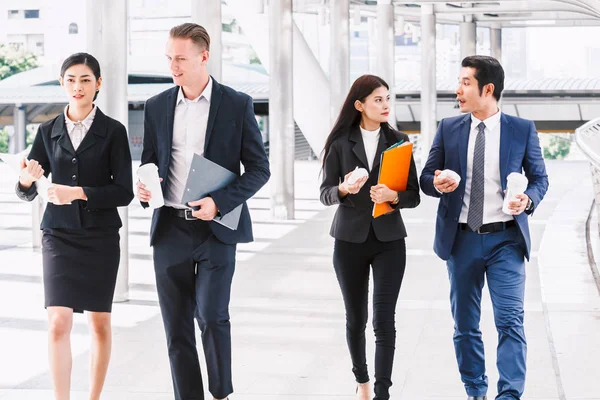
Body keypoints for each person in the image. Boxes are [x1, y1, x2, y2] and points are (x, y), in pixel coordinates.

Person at [136, 23, 270, 400]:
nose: (173, 66)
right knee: (176, 329)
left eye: (180, 58)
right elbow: (151, 162)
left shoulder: (236, 103)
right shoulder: (157, 105)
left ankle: (221, 394)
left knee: (212, 316)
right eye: (169, 58)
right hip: (170, 229)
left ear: (203, 56)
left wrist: (220, 202)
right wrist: (145, 189)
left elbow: (260, 169)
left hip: (216, 229)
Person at [419, 55, 549, 400]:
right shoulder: (448, 128)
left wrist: (528, 200)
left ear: (487, 89)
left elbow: (540, 178)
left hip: (505, 239)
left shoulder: (521, 130)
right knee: (465, 327)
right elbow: (425, 177)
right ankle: (475, 391)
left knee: (510, 322)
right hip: (460, 241)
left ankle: (509, 395)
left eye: (465, 82)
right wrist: (438, 183)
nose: (458, 90)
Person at [15, 52, 134, 400]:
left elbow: (123, 191)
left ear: (98, 84)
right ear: (62, 83)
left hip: (99, 237)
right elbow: (26, 187)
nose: (78, 86)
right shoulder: (47, 130)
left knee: (99, 322)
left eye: (85, 80)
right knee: (58, 323)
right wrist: (25, 179)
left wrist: (78, 192)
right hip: (58, 234)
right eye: (71, 79)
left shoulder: (113, 131)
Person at [320, 74, 420, 400]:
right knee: (356, 318)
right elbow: (325, 194)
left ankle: (382, 393)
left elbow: (414, 195)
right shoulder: (339, 143)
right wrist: (344, 189)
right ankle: (361, 380)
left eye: (387, 98)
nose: (385, 104)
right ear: (360, 104)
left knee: (384, 319)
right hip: (349, 240)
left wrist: (393, 195)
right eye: (378, 99)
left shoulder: (400, 142)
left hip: (390, 240)